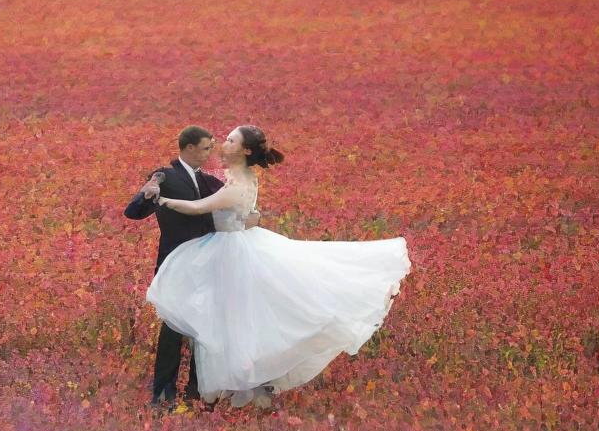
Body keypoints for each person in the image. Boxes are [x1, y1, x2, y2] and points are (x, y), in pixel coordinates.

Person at [146, 125, 411, 408]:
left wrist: (161, 199)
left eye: (231, 140)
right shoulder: (236, 177)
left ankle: (219, 387)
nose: (223, 143)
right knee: (229, 319)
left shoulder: (237, 184)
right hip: (231, 248)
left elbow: (199, 208)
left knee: (228, 321)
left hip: (228, 252)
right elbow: (232, 203)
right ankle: (210, 388)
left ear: (246, 150)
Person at [124, 126, 258, 407]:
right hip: (178, 265)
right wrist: (147, 195)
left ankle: (196, 392)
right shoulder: (165, 175)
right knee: (173, 329)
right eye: (207, 147)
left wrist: (249, 215)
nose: (212, 152)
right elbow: (134, 212)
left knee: (204, 329)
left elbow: (231, 206)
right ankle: (163, 394)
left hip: (208, 266)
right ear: (189, 148)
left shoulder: (208, 180)